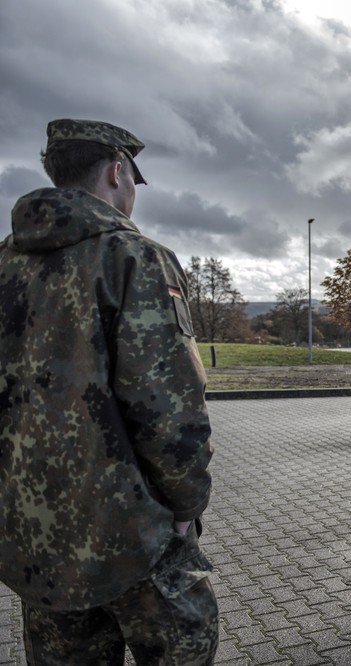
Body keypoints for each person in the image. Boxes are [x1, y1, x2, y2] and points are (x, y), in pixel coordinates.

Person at [0, 119, 218, 664]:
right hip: (132, 534)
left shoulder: (4, 263)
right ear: (118, 170)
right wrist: (186, 504)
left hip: (36, 535)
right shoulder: (133, 257)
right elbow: (168, 407)